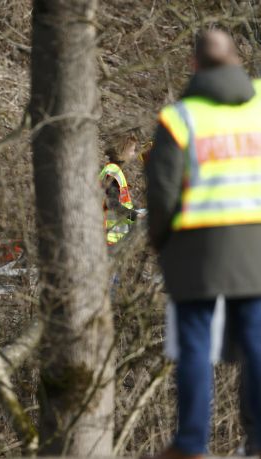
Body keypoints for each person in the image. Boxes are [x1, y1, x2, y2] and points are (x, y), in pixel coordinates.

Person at [146, 29, 261, 459]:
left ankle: (192, 443)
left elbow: (161, 192)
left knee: (195, 344)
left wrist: (160, 242)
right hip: (257, 244)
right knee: (256, 341)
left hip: (197, 246)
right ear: (237, 58)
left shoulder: (180, 118)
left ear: (194, 65)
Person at [100, 134, 139, 245]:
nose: (133, 154)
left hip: (111, 233)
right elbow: (111, 202)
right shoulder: (113, 171)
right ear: (122, 149)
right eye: (132, 149)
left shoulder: (112, 169)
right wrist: (133, 215)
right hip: (111, 233)